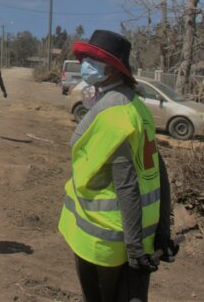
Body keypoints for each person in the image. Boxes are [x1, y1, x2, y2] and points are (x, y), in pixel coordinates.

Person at [57, 30, 176, 302]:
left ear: (111, 69)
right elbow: (158, 170)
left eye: (92, 60)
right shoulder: (137, 107)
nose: (85, 65)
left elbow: (126, 183)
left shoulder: (112, 116)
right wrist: (162, 232)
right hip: (139, 234)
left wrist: (134, 248)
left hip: (106, 239)